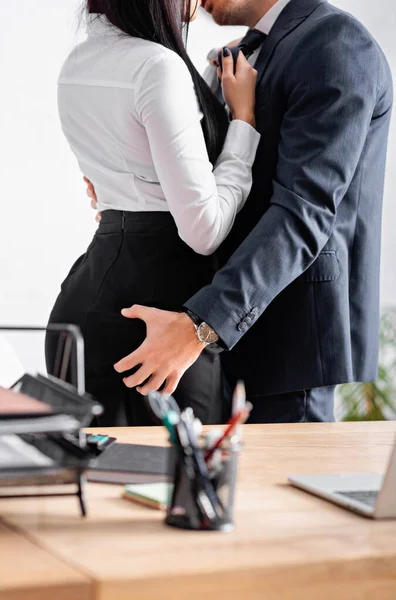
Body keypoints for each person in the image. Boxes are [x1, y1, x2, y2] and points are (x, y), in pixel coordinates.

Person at [108, 0, 393, 423]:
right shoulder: (240, 52)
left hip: (288, 346)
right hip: (219, 343)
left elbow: (304, 213)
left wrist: (201, 327)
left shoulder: (336, 43)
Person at [45, 0, 261, 426]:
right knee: (185, 482)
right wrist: (244, 121)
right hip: (164, 319)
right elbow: (204, 230)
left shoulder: (78, 61)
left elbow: (120, 177)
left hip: (89, 301)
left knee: (93, 481)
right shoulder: (157, 66)